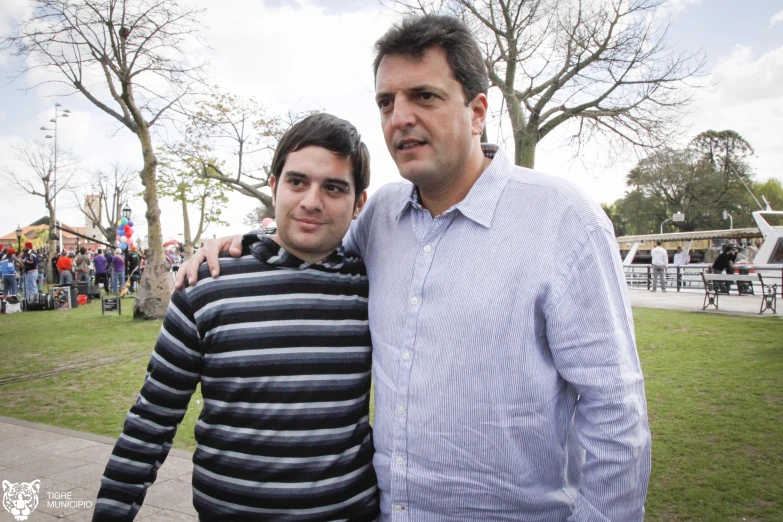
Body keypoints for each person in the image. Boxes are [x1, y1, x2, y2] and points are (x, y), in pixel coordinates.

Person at [179, 15, 651, 521]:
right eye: (386, 102)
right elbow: (309, 241)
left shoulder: (563, 219)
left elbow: (616, 414)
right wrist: (244, 239)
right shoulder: (381, 215)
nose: (398, 117)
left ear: (477, 111)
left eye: (423, 96)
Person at [94, 113, 378, 521]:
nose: (312, 201)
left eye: (334, 187)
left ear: (359, 204)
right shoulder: (205, 283)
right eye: (298, 181)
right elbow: (152, 419)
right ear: (274, 185)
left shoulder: (373, 287)